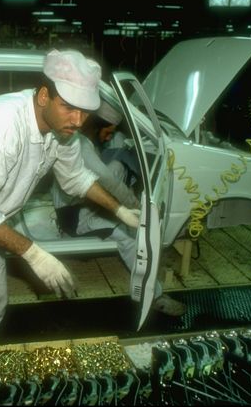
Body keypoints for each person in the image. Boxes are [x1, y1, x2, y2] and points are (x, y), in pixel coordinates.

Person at [0, 49, 143, 387]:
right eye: (68, 107)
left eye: (84, 111)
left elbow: (77, 179)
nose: (78, 120)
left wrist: (121, 210)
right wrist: (35, 254)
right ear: (43, 96)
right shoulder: (3, 125)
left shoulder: (63, 130)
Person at [51, 101, 187, 316]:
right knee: (131, 236)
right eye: (107, 132)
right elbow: (105, 180)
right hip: (73, 217)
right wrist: (133, 206)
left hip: (81, 205)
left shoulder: (83, 139)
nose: (107, 138)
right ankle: (153, 297)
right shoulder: (82, 145)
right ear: (96, 125)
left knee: (117, 166)